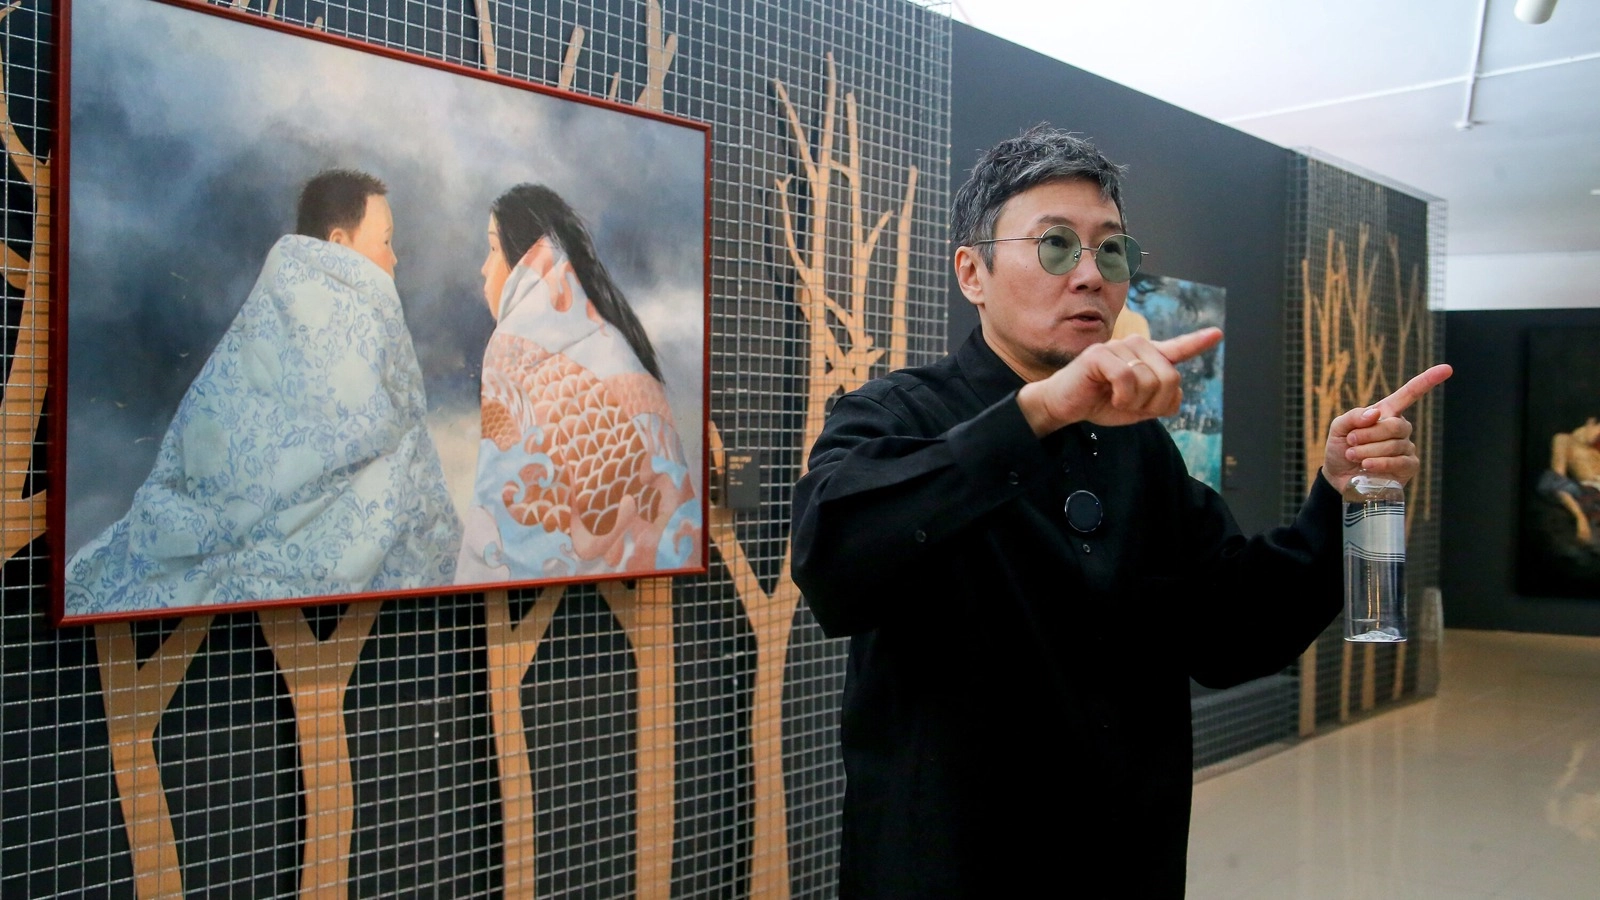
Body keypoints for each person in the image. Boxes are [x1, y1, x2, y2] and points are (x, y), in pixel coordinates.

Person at [789, 126, 1452, 897]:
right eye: (1055, 245)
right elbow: (835, 562)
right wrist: (1038, 414)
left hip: (1127, 862)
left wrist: (1341, 496)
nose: (1090, 276)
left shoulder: (1140, 447)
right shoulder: (896, 415)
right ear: (973, 272)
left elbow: (1233, 631)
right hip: (949, 868)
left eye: (1111, 251)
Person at [64, 169, 462, 615]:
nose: (394, 258)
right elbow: (371, 426)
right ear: (339, 244)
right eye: (385, 241)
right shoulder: (354, 311)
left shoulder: (271, 298)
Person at [455, 183, 700, 583]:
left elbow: (499, 523)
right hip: (650, 587)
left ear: (527, 260)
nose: (485, 267)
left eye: (494, 249)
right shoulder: (617, 344)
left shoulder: (513, 346)